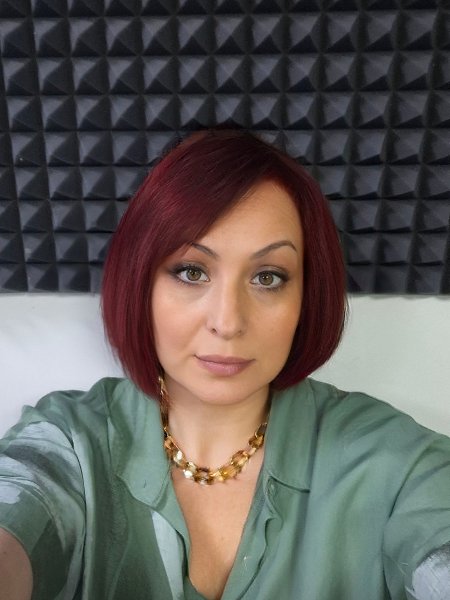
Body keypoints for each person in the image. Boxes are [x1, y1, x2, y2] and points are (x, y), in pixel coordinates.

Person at [0, 128, 449, 600]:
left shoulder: (395, 465)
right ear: (140, 284)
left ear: (306, 298)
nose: (228, 322)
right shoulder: (70, 443)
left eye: (268, 277)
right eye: (191, 271)